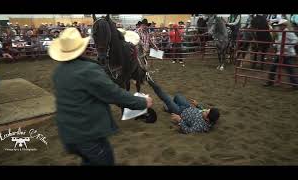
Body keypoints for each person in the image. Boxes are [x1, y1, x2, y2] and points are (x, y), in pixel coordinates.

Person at [50, 28, 153, 166]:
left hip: (68, 134)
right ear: (83, 47)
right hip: (88, 134)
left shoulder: (59, 72)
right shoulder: (88, 70)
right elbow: (113, 93)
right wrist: (142, 102)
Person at [146, 77, 220, 133]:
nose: (205, 110)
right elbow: (204, 110)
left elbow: (188, 130)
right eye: (208, 110)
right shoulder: (211, 117)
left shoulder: (200, 126)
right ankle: (169, 109)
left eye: (206, 112)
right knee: (177, 96)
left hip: (180, 112)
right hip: (188, 107)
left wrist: (180, 120)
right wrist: (198, 105)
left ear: (207, 119)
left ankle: (151, 82)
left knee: (166, 98)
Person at [264, 19, 298, 89]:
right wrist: (276, 45)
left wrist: (287, 46)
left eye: (280, 25)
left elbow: (296, 39)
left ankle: (295, 84)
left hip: (287, 54)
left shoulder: (288, 32)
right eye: (279, 25)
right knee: (273, 67)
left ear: (284, 25)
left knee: (290, 69)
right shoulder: (280, 32)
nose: (279, 26)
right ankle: (270, 81)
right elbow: (279, 41)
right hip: (280, 53)